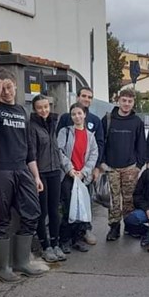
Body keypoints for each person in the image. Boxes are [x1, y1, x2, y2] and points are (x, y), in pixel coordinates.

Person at [0, 68, 47, 282]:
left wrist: (35, 175)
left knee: (32, 212)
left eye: (9, 87)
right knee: (1, 216)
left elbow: (29, 147)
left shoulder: (21, 111)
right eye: (2, 88)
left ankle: (22, 262)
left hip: (21, 169)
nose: (7, 92)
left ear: (16, 86)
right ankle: (2, 268)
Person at [56, 87, 104, 246]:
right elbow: (59, 150)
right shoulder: (65, 128)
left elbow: (95, 152)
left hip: (84, 176)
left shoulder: (92, 130)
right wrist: (70, 170)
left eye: (80, 114)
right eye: (74, 114)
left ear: (84, 115)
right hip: (68, 174)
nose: (77, 116)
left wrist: (86, 171)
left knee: (82, 206)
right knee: (68, 206)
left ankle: (79, 237)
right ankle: (65, 240)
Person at [100, 89, 145, 241]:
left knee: (129, 199)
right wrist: (102, 162)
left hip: (130, 167)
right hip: (111, 167)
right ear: (118, 100)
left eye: (130, 101)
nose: (126, 104)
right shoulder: (108, 119)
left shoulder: (137, 122)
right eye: (124, 100)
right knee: (113, 200)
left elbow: (141, 145)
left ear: (133, 103)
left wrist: (139, 166)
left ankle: (130, 226)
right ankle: (114, 227)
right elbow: (101, 142)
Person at [28, 94, 66, 263]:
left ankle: (55, 243)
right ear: (34, 109)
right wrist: (36, 176)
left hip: (55, 171)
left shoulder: (53, 123)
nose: (44, 110)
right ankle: (45, 246)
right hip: (41, 172)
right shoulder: (32, 127)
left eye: (46, 107)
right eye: (40, 108)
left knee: (54, 210)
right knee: (42, 211)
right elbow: (32, 153)